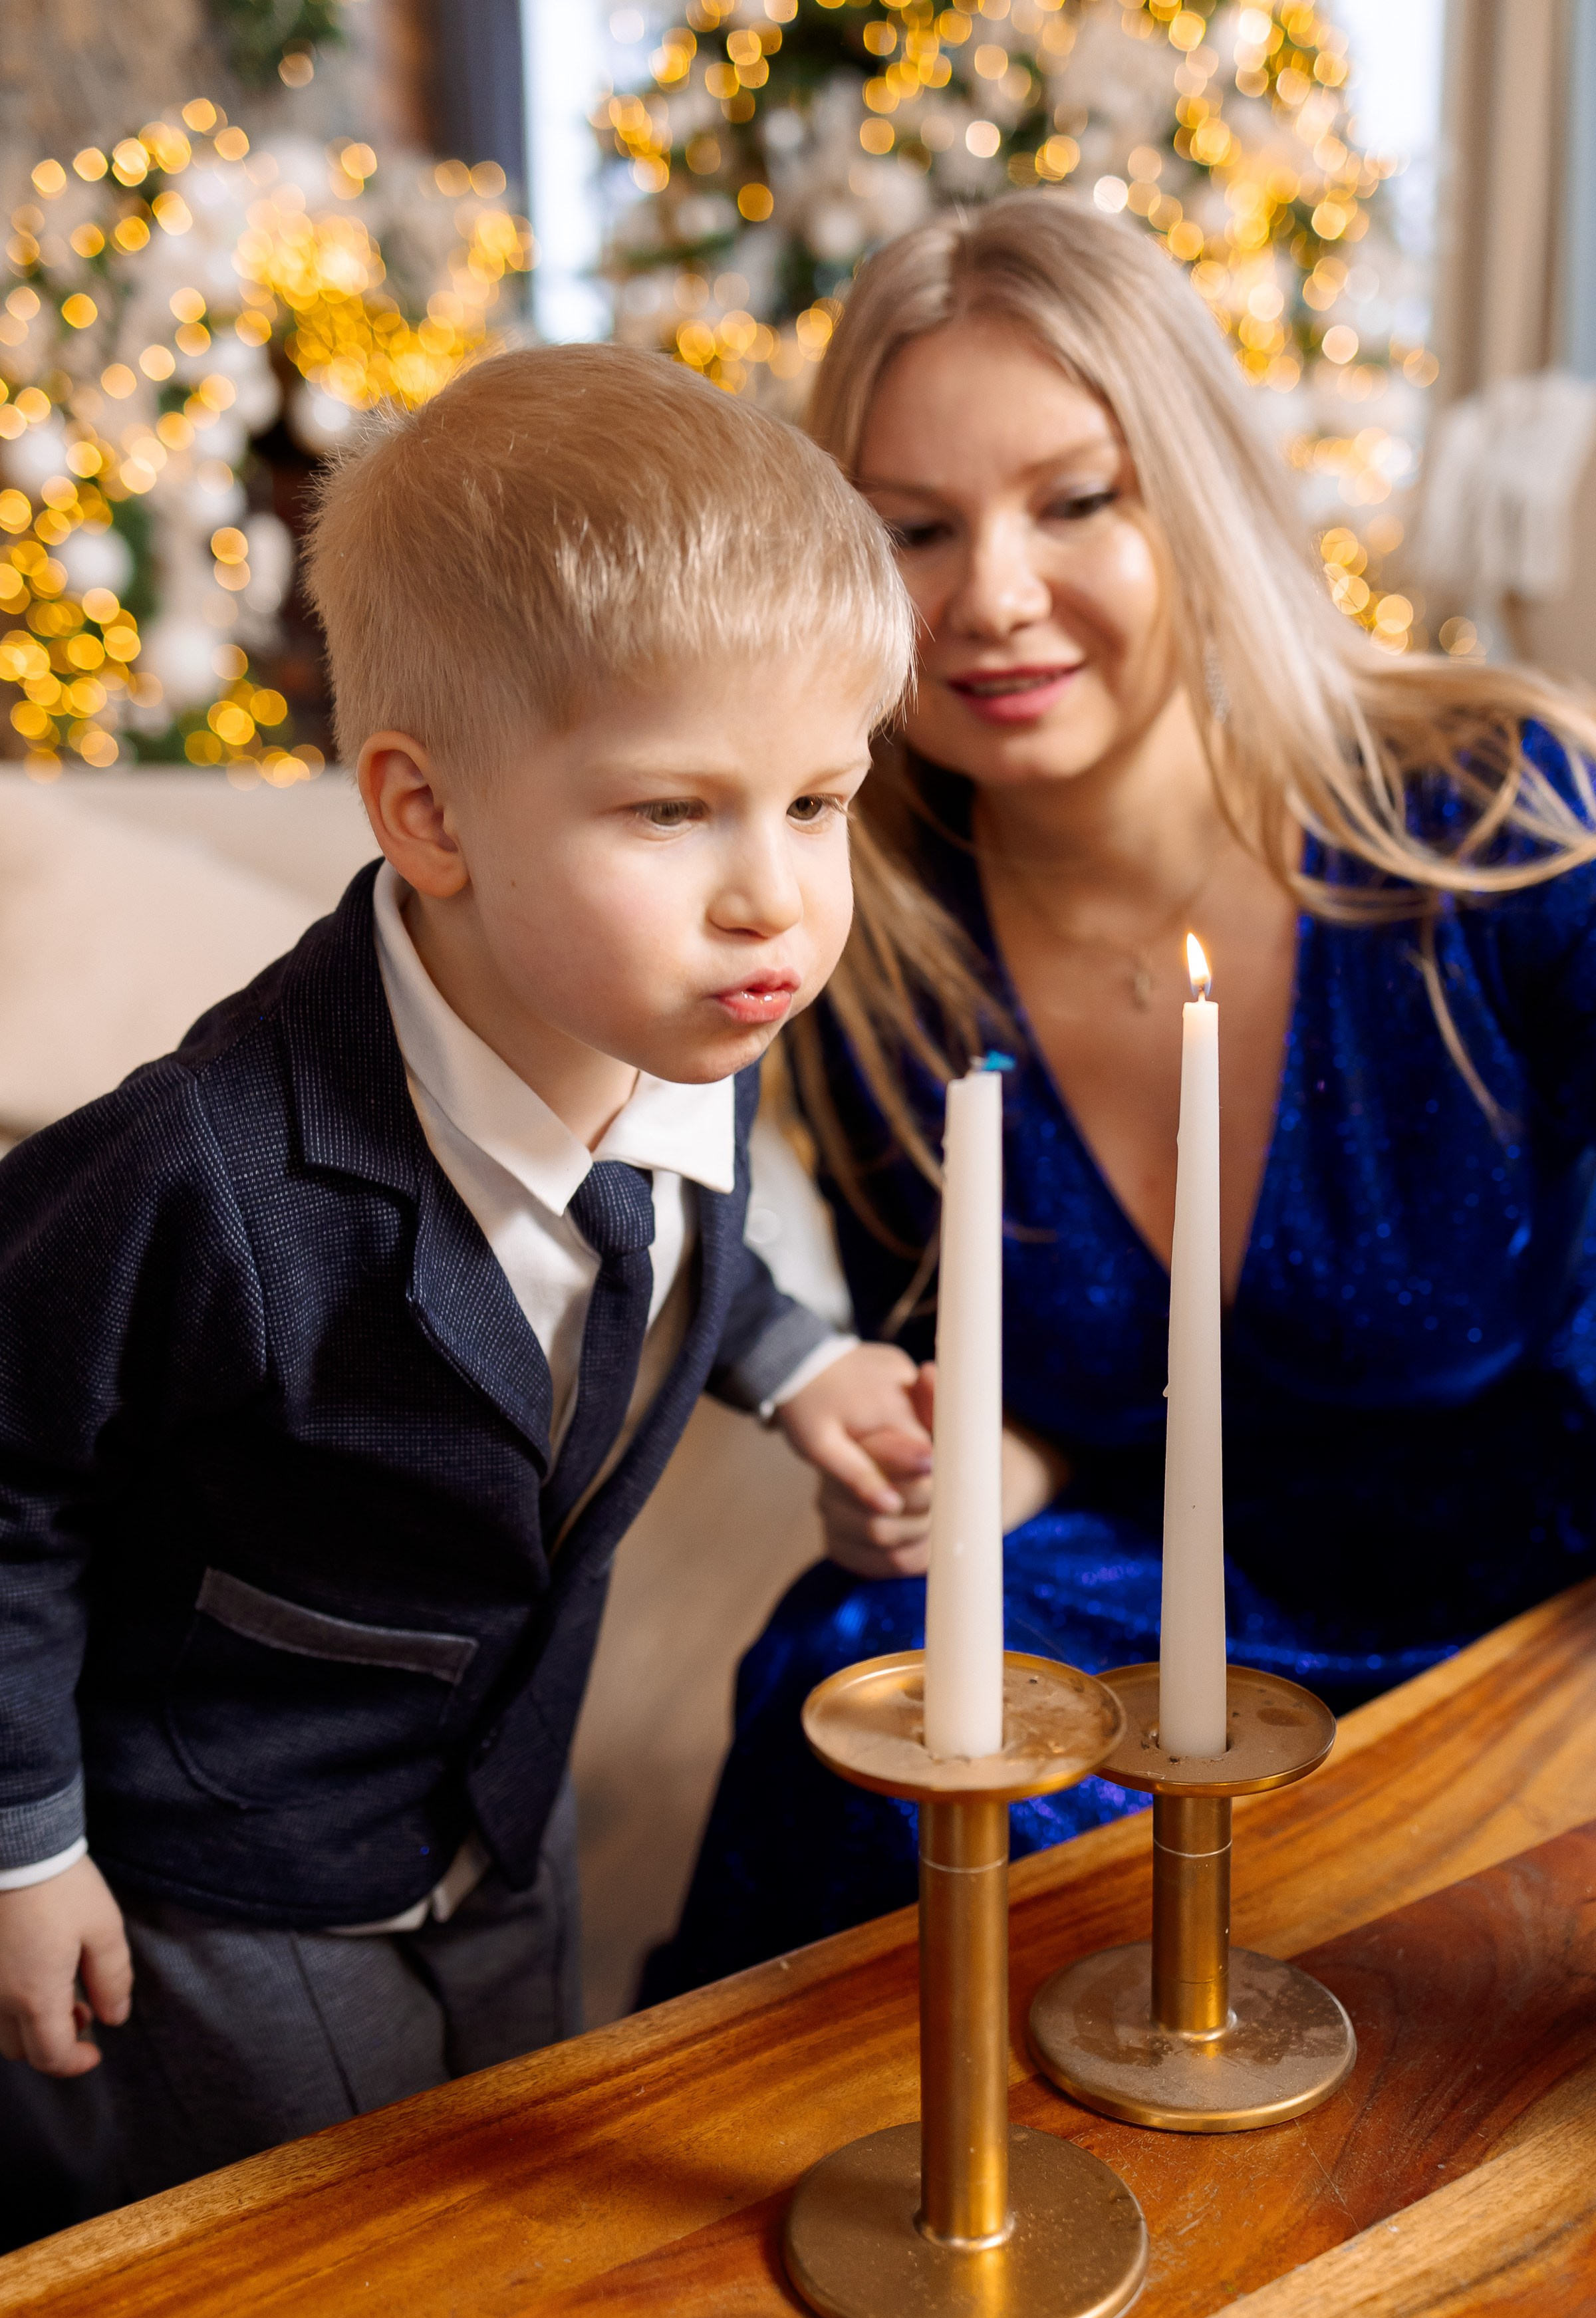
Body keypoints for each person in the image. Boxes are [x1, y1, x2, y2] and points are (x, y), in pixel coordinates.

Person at [0, 344, 932, 2198]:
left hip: (507, 1829)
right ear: (426, 818)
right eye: (676, 811)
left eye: (821, 802)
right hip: (227, 1884)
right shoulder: (199, 1175)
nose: (778, 900)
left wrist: (802, 1359)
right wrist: (25, 1848)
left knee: (530, 2202)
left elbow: (663, 1250)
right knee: (320, 2263)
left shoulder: (692, 1031)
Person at [646, 191, 1596, 2000]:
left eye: (1078, 501)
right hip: (1155, 1601)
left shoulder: (1501, 817)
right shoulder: (868, 950)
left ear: (1203, 494)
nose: (994, 597)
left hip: (1528, 1623)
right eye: (914, 530)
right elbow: (975, 1366)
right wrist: (982, 1452)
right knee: (854, 1685)